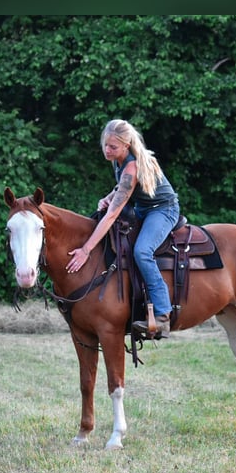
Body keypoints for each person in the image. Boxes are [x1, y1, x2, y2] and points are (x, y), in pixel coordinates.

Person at [66, 119, 180, 338]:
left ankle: (163, 314)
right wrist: (110, 196)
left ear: (126, 146)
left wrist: (86, 250)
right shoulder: (117, 161)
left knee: (142, 251)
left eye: (113, 147)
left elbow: (111, 215)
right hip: (142, 207)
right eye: (105, 145)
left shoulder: (131, 166)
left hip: (162, 210)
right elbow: (123, 187)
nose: (107, 150)